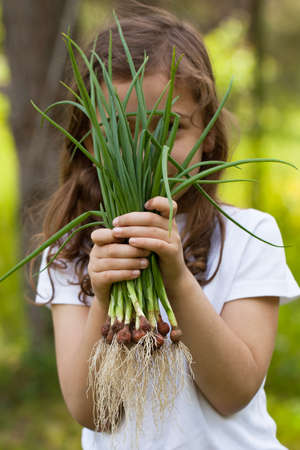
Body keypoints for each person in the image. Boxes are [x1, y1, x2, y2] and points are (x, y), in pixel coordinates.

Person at [35, 2, 300, 449]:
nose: (144, 153)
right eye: (122, 132)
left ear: (208, 134)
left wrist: (176, 278)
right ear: (89, 139)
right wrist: (103, 295)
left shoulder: (248, 236)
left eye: (168, 129)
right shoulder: (72, 251)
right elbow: (90, 412)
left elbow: (235, 392)